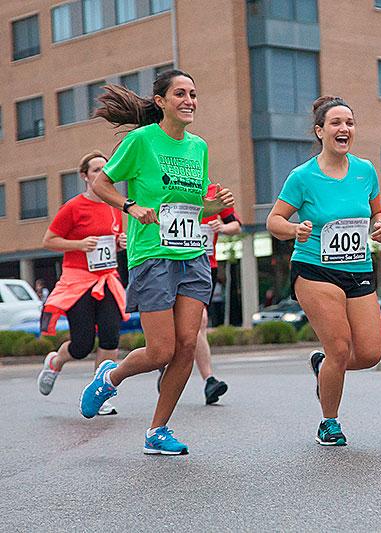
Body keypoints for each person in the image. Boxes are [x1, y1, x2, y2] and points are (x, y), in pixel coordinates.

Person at [79, 70, 235, 455]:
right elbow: (102, 184)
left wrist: (213, 207)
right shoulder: (141, 140)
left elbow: (193, 205)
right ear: (161, 101)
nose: (189, 100)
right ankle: (110, 377)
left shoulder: (198, 147)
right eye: (180, 94)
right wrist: (131, 206)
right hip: (153, 255)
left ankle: (157, 430)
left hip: (193, 255)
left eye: (193, 94)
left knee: (187, 346)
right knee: (161, 351)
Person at [267, 96, 381, 446]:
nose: (344, 128)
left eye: (349, 122)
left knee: (370, 353)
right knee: (339, 347)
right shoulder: (303, 176)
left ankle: (324, 368)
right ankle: (329, 422)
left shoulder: (365, 170)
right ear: (320, 131)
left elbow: (378, 212)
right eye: (336, 123)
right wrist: (294, 229)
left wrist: (380, 226)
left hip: (358, 266)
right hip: (315, 269)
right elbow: (274, 220)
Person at [37, 151, 127, 416]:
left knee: (110, 338)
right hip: (79, 281)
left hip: (107, 279)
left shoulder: (115, 206)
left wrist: (120, 244)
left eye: (105, 169)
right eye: (96, 170)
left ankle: (100, 393)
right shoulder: (73, 207)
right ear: (84, 176)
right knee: (82, 345)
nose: (101, 174)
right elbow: (49, 240)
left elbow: (112, 243)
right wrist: (78, 244)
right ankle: (56, 361)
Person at [195, 183, 241, 403]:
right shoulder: (175, 185)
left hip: (207, 266)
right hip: (176, 262)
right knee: (188, 324)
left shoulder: (215, 191)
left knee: (199, 321)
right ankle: (165, 361)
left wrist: (221, 227)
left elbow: (236, 226)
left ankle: (209, 381)